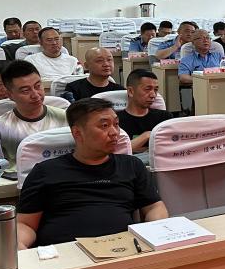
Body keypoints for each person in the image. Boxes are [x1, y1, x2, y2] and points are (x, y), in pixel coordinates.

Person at [16, 98, 168, 248]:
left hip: (123, 249)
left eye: (116, 124)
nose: (114, 132)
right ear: (77, 133)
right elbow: (25, 224)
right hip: (65, 253)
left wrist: (157, 233)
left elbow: (154, 207)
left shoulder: (131, 165)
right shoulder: (45, 171)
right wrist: (19, 245)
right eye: (104, 126)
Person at [0, 60, 68, 170]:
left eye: (38, 86)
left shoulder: (66, 118)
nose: (35, 95)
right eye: (26, 91)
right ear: (10, 95)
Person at [116, 69, 169, 154]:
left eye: (155, 90)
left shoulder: (164, 117)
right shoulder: (116, 121)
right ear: (131, 91)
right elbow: (116, 150)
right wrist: (146, 135)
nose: (153, 95)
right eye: (147, 89)